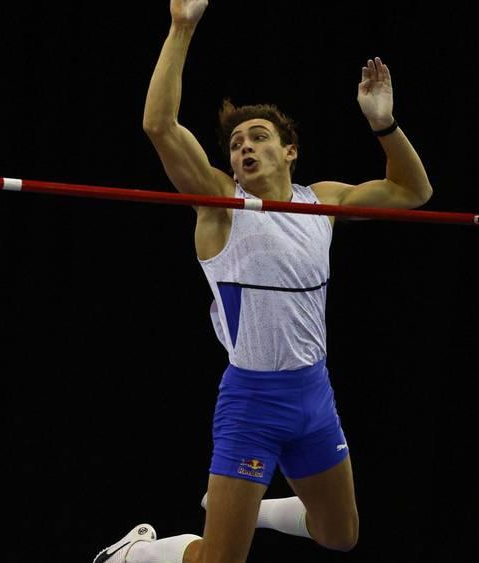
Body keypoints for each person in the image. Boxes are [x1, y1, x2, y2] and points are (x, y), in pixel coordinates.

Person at [92, 1, 433, 562]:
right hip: (252, 400)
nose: (244, 146)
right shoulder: (222, 204)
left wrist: (383, 123)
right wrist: (182, 26)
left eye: (258, 137)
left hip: (313, 393)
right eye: (236, 143)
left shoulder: (323, 201)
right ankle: (133, 554)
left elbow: (413, 192)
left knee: (340, 534)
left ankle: (262, 507)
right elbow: (158, 125)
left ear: (290, 151)